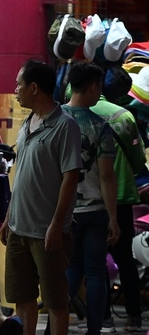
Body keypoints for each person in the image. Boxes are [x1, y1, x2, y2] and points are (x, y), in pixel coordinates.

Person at [0, 59, 82, 335]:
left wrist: (57, 224)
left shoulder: (65, 127)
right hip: (18, 228)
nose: (16, 90)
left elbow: (70, 178)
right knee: (23, 299)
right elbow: (22, 173)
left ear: (34, 88)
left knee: (56, 301)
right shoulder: (27, 123)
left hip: (47, 231)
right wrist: (9, 217)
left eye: (19, 85)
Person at [62, 62, 120, 335]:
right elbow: (108, 177)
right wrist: (113, 217)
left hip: (63, 211)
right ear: (94, 86)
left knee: (70, 268)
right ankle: (94, 329)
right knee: (96, 272)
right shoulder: (100, 127)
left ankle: (54, 323)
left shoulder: (54, 120)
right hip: (95, 210)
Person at [91, 95, 146, 332]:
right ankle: (134, 317)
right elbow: (138, 161)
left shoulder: (74, 115)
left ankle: (103, 319)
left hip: (92, 198)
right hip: (122, 195)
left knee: (97, 261)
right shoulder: (124, 116)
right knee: (125, 259)